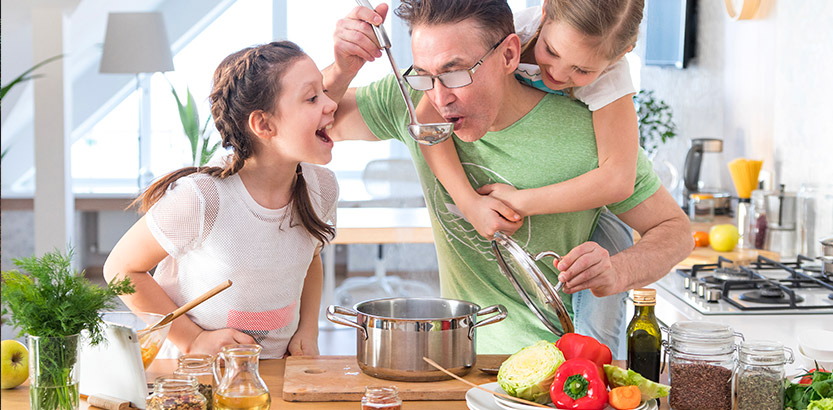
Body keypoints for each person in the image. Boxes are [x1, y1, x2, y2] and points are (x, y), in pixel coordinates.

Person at [324, 0, 692, 354]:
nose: (440, 98)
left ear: (510, 55)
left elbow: (676, 232)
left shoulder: (590, 135)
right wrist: (343, 68)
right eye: (424, 76)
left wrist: (618, 269)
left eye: (456, 73)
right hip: (457, 366)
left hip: (557, 380)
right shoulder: (411, 101)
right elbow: (294, 128)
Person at [414, 0, 644, 357]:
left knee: (598, 326)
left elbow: (617, 181)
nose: (559, 73)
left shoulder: (613, 77)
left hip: (601, 207)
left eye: (583, 70)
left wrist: (520, 200)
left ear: (622, 53)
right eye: (550, 51)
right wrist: (469, 202)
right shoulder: (515, 31)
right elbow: (428, 122)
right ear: (545, 13)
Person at [103, 41, 339, 359]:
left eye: (324, 92)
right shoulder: (202, 198)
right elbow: (120, 271)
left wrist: (307, 331)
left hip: (276, 373)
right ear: (264, 125)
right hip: (194, 377)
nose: (331, 104)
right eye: (312, 97)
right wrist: (193, 340)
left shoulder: (322, 187)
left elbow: (310, 258)